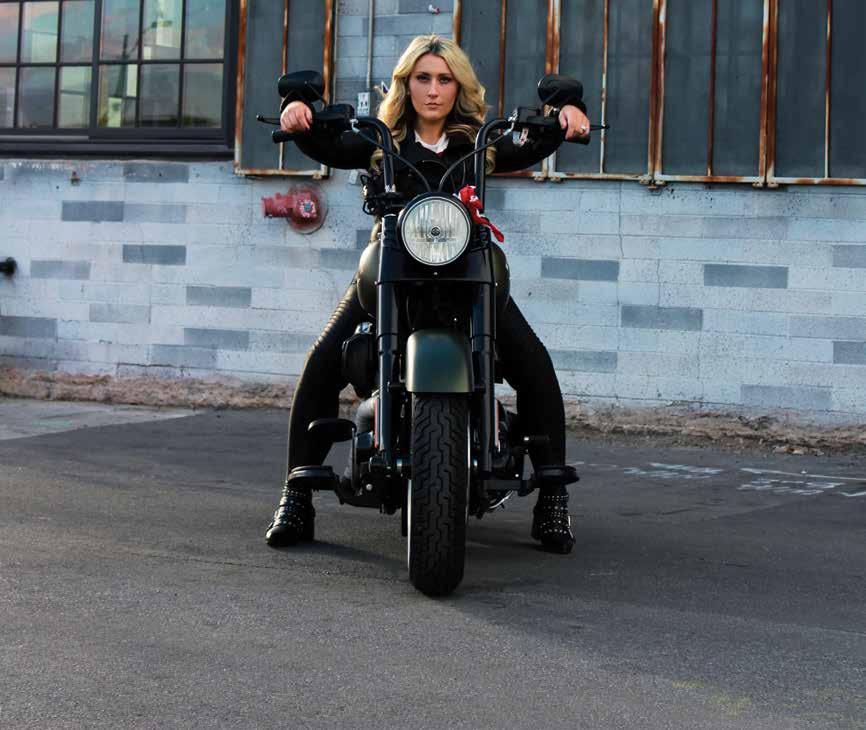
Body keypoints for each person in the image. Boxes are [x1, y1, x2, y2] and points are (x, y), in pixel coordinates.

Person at [266, 34, 590, 554]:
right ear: (406, 84)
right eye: (423, 78)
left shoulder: (480, 143)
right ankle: (296, 494)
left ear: (458, 86)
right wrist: (300, 109)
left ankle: (552, 496)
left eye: (444, 79)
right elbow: (325, 143)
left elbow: (533, 142)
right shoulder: (379, 141)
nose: (434, 90)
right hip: (391, 264)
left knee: (533, 361)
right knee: (325, 357)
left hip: (467, 269)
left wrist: (565, 112)